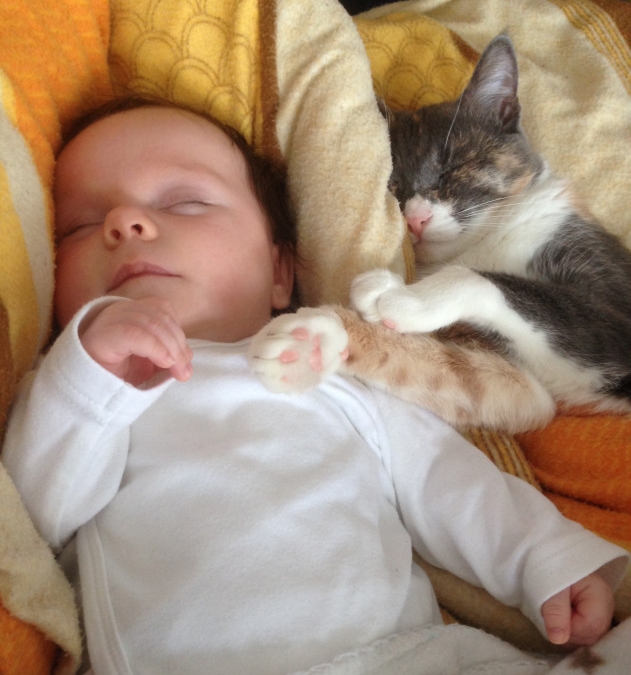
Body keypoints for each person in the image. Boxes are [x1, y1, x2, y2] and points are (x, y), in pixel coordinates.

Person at [1, 99, 629, 675]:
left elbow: (448, 479)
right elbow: (32, 524)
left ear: (280, 271)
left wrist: (544, 562)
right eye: (81, 225)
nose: (125, 222)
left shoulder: (333, 368)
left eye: (184, 202)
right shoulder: (81, 398)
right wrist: (87, 373)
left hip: (404, 657)